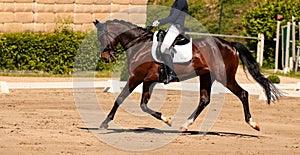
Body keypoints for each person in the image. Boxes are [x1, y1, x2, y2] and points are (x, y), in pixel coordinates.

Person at [152, 0, 188, 84]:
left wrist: (159, 22)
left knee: (164, 48)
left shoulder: (181, 1)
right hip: (172, 26)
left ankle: (172, 74)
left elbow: (173, 17)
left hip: (176, 27)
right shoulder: (177, 1)